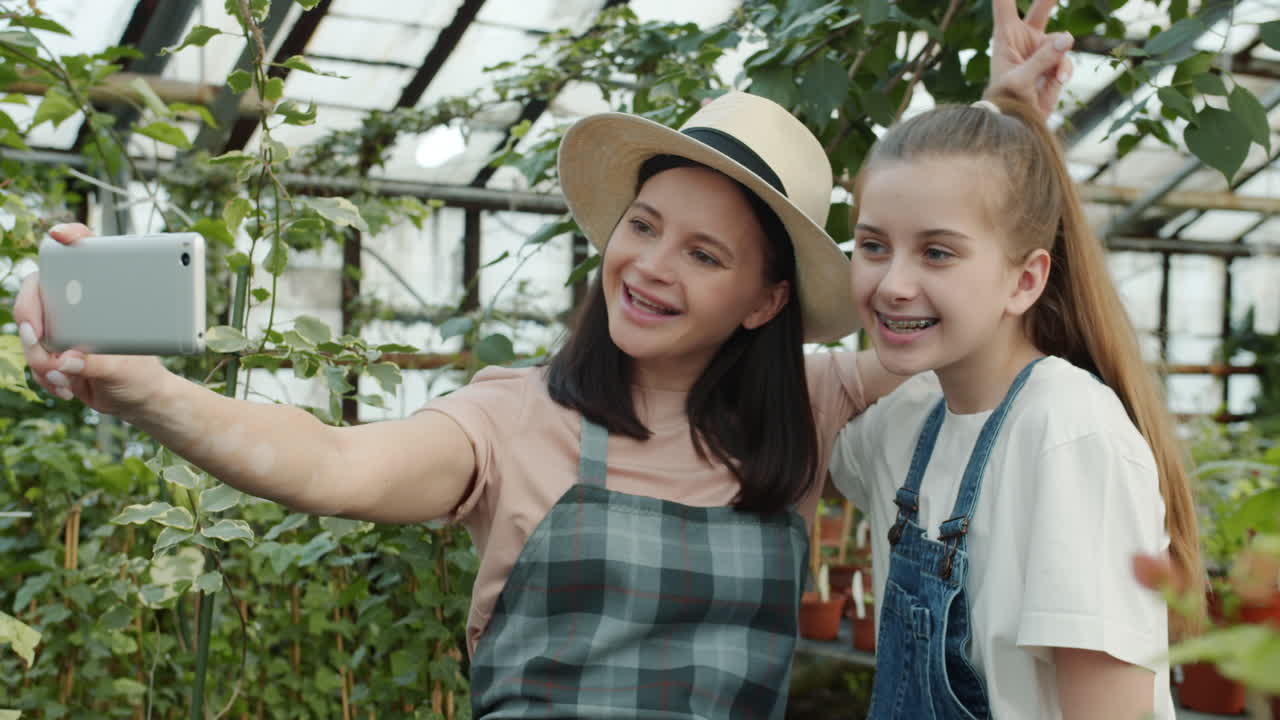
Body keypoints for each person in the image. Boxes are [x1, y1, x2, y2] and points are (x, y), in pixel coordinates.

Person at [16, 4, 1074, 717]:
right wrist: (143, 386)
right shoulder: (514, 418)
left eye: (701, 253)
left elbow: (951, 300)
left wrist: (1006, 119)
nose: (649, 267)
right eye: (643, 225)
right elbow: (326, 462)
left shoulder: (813, 402)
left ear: (764, 301)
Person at [828, 72, 1203, 720]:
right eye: (872, 246)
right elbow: (771, 417)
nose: (892, 283)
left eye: (937, 252)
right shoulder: (905, 422)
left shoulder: (1067, 433)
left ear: (1025, 280)